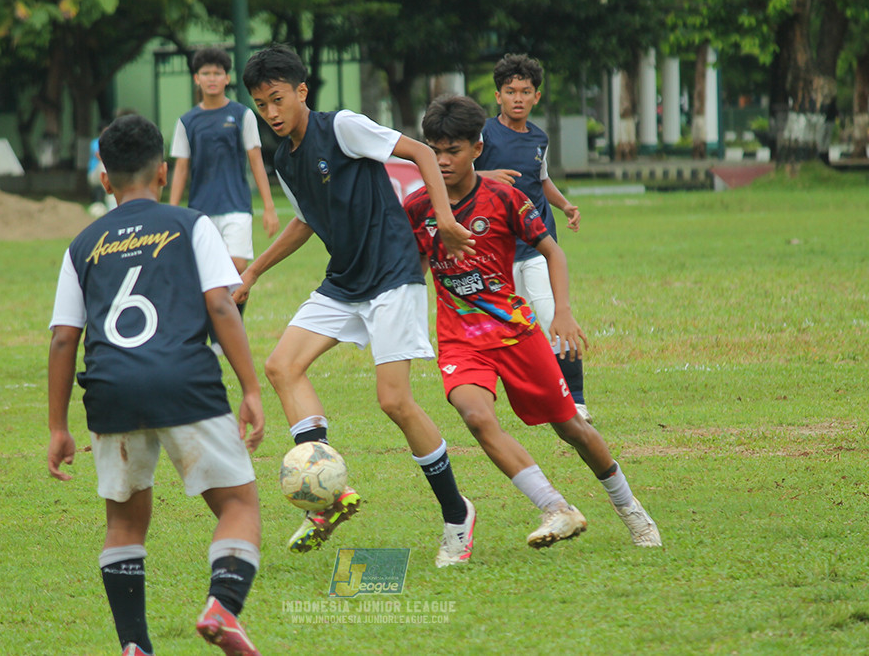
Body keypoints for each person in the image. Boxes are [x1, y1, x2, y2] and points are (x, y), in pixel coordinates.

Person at [236, 44, 478, 567]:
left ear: (301, 91)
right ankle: (326, 497)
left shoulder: (342, 126)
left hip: (392, 275)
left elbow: (416, 152)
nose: (271, 113)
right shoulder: (284, 159)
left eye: (278, 99)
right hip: (345, 281)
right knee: (282, 366)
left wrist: (444, 220)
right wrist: (253, 271)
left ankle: (458, 514)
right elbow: (304, 222)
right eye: (261, 105)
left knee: (394, 401)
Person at [47, 114, 265, 656]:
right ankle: (222, 607)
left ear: (105, 179)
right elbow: (221, 303)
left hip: (111, 390)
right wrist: (252, 388)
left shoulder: (81, 245)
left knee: (124, 521)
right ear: (163, 173)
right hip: (184, 381)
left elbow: (62, 339)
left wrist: (57, 426)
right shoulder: (191, 224)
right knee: (239, 504)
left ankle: (134, 646)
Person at [405, 95, 661, 549]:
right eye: (435, 150)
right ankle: (556, 507)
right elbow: (414, 266)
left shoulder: (504, 197)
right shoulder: (420, 206)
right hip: (460, 339)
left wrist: (561, 311)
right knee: (475, 416)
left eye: (454, 150)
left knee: (571, 427)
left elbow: (552, 251)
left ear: (477, 149)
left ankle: (632, 510)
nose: (442, 161)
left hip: (516, 334)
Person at [473, 53, 594, 423]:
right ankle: (505, 398)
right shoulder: (482, 135)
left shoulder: (539, 138)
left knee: (555, 317)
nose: (519, 98)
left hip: (538, 245)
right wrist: (487, 176)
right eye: (511, 91)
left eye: (526, 91)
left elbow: (540, 180)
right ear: (498, 97)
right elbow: (462, 176)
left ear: (536, 97)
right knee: (510, 328)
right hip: (499, 249)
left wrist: (565, 204)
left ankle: (576, 401)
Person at [169, 47, 280, 350]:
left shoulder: (242, 115)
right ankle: (215, 334)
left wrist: (269, 207)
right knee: (206, 274)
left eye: (217, 72)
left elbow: (256, 160)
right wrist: (171, 211)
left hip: (237, 208)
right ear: (196, 78)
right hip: (200, 212)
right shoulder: (186, 122)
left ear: (227, 77)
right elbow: (180, 169)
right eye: (206, 73)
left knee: (236, 266)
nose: (212, 78)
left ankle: (229, 330)